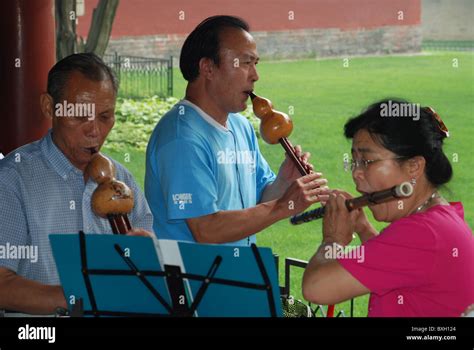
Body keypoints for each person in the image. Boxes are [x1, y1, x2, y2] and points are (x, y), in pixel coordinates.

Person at [145, 15, 329, 245]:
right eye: (245, 63)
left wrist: (284, 181)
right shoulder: (181, 138)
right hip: (195, 277)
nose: (255, 75)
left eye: (255, 64)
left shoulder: (241, 127)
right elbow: (206, 229)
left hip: (236, 272)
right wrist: (283, 206)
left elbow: (262, 198)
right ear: (208, 68)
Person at [0, 53, 154, 315]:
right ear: (50, 107)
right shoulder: (12, 179)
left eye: (105, 117)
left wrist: (148, 256)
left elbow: (147, 274)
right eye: (79, 116)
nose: (94, 130)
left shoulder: (123, 181)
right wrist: (81, 296)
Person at [302, 99, 474, 317]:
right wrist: (363, 229)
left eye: (367, 161)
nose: (356, 173)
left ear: (414, 166)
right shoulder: (439, 219)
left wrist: (333, 240)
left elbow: (316, 288)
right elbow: (398, 265)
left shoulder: (422, 234)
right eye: (354, 162)